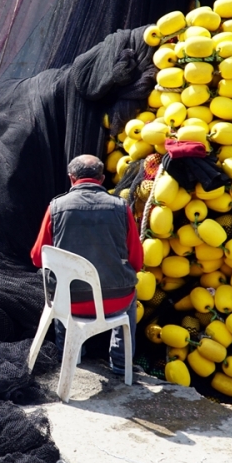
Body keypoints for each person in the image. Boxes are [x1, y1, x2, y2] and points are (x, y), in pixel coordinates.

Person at [31, 154, 143, 374]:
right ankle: (121, 364)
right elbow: (137, 261)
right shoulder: (121, 207)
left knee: (60, 290)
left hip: (71, 303)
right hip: (115, 302)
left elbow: (38, 257)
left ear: (71, 177)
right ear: (101, 179)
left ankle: (70, 357)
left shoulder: (56, 207)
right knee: (131, 294)